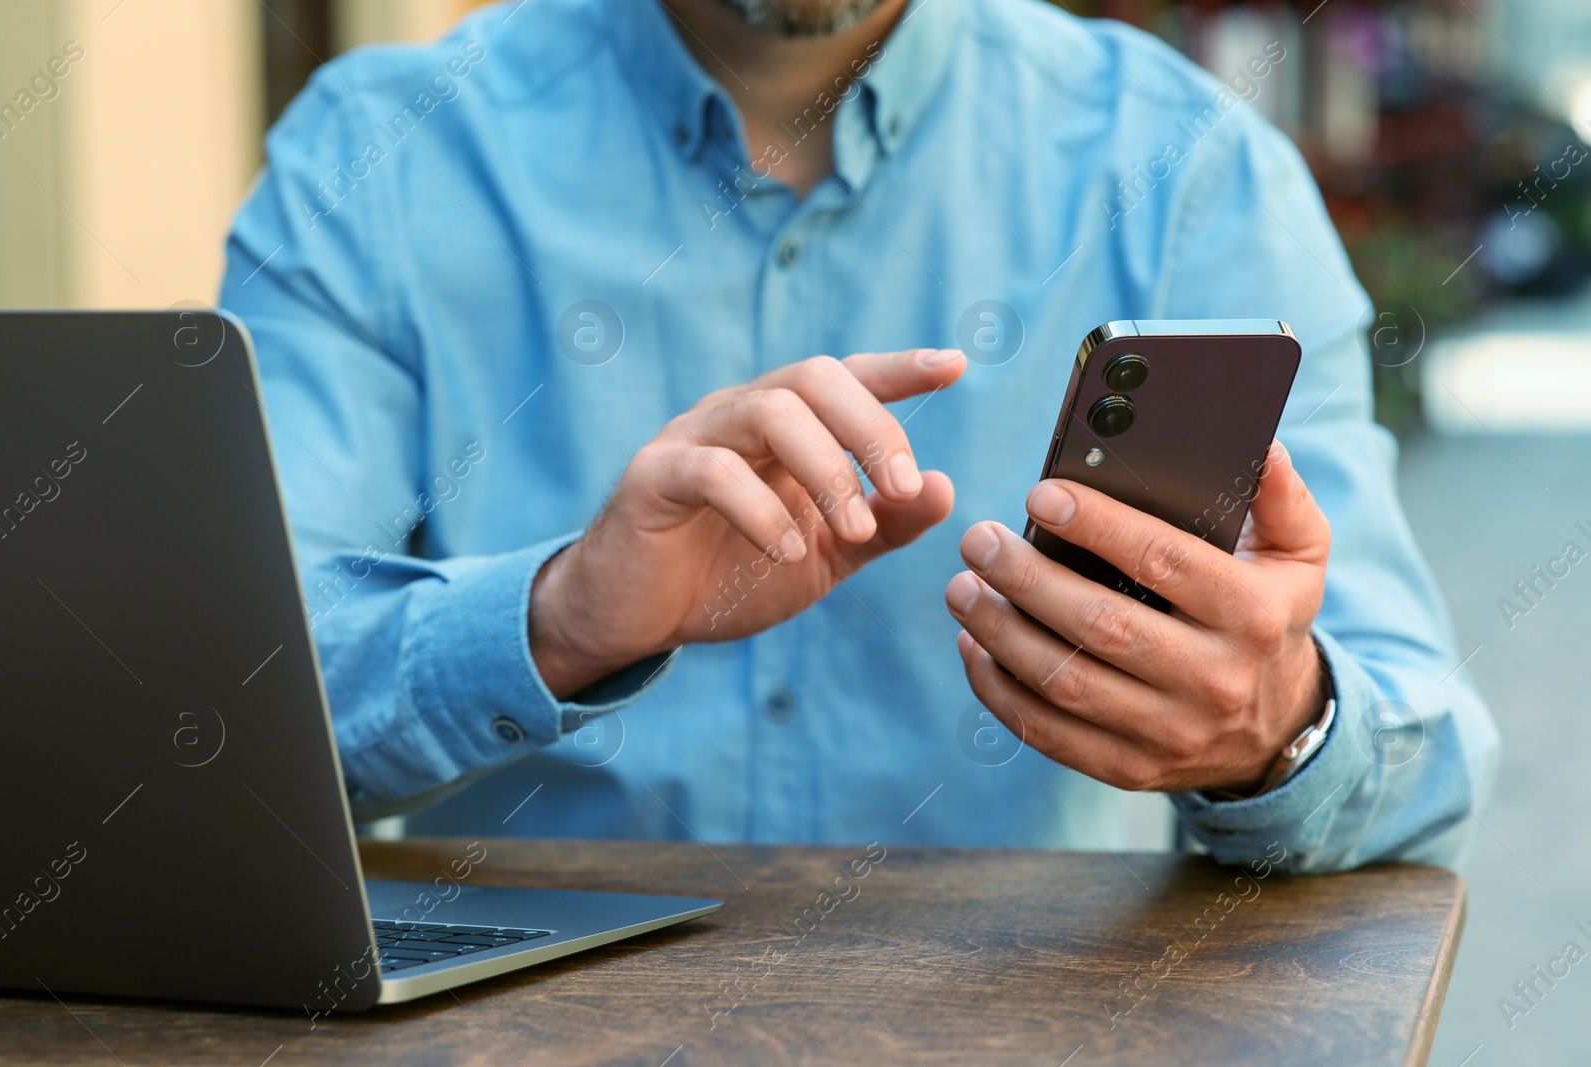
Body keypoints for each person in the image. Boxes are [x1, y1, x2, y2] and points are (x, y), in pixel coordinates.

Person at [220, 0, 1498, 872]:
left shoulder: (1189, 169)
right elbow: (209, 709)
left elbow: (1423, 745)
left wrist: (1277, 725)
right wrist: (559, 617)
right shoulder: (376, 158)